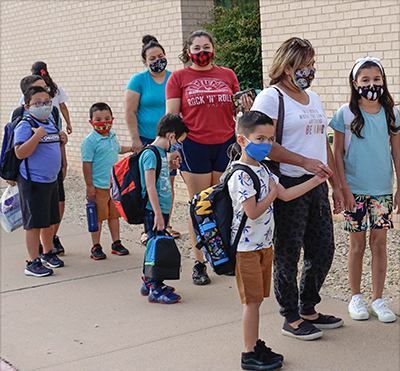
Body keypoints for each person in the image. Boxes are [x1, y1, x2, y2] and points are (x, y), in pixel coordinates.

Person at [251, 37, 344, 340]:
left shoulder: (313, 98)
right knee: (288, 254)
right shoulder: (270, 97)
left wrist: (336, 184)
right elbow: (264, 144)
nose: (312, 70)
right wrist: (303, 162)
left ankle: (309, 307)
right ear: (288, 67)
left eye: (313, 64)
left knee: (323, 249)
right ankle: (290, 316)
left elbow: (323, 143)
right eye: (307, 65)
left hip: (316, 185)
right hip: (288, 184)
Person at [230, 111, 331, 370]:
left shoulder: (263, 168)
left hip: (263, 246)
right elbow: (252, 211)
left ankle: (255, 344)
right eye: (259, 138)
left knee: (257, 300)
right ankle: (249, 354)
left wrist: (316, 180)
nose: (265, 144)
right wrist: (272, 194)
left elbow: (286, 194)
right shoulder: (241, 173)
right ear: (242, 140)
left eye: (270, 139)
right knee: (251, 304)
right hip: (246, 250)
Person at [166, 29, 251, 285]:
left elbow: (237, 109)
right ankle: (199, 262)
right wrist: (172, 148)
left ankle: (222, 256)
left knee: (222, 203)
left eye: (206, 47)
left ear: (213, 48)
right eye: (196, 48)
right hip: (194, 145)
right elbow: (172, 117)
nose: (202, 52)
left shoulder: (227, 75)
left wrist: (246, 106)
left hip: (225, 143)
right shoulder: (179, 77)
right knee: (200, 205)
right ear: (188, 51)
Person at [329, 57, 400, 323]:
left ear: (384, 81)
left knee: (380, 244)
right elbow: (336, 154)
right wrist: (343, 188)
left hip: (381, 190)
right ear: (355, 83)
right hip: (354, 192)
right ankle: (356, 297)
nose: (372, 85)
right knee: (357, 245)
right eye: (366, 80)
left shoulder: (392, 113)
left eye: (377, 79)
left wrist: (399, 187)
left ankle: (378, 299)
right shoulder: (344, 114)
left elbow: (397, 152)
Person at [125, 35, 181, 243]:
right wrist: (135, 140)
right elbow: (130, 112)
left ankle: (166, 224)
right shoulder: (138, 80)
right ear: (144, 61)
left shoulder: (173, 77)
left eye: (160, 55)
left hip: (170, 139)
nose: (157, 60)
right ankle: (147, 227)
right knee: (148, 183)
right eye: (152, 57)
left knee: (168, 182)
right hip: (148, 140)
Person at [14, 86, 67, 276]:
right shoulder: (25, 124)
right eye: (37, 103)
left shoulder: (50, 121)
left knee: (48, 221)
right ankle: (32, 261)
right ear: (27, 106)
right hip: (32, 181)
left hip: (50, 180)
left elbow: (52, 145)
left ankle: (47, 253)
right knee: (34, 223)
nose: (43, 106)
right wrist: (36, 136)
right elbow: (20, 152)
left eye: (46, 102)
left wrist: (62, 140)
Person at [138, 113, 189, 304]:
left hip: (160, 210)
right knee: (156, 246)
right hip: (154, 210)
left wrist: (169, 165)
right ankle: (155, 287)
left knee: (154, 244)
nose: (177, 146)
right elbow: (150, 186)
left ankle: (148, 280)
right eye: (178, 141)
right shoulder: (150, 153)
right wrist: (158, 214)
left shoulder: (159, 154)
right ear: (171, 136)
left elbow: (159, 178)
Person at [81, 103, 131, 260]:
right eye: (99, 119)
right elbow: (86, 164)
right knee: (97, 217)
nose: (104, 122)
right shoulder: (90, 141)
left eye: (107, 118)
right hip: (98, 187)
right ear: (91, 121)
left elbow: (117, 149)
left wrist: (131, 148)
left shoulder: (112, 136)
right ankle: (96, 246)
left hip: (113, 185)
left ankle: (116, 242)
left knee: (114, 215)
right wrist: (90, 186)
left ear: (112, 119)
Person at [29, 61, 72, 135]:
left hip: (37, 119)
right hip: (55, 118)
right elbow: (63, 107)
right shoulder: (55, 88)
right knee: (56, 140)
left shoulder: (31, 89)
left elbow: (24, 106)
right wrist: (68, 123)